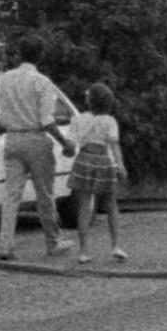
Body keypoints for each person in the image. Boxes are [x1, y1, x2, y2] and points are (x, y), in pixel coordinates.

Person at [0, 53, 80, 265]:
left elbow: (2, 117)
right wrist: (64, 143)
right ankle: (52, 240)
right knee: (45, 193)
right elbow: (47, 121)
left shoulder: (6, 79)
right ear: (40, 56)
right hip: (35, 138)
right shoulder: (42, 82)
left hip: (12, 138)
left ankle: (5, 243)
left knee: (12, 194)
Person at [69, 85, 129, 262]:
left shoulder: (78, 119)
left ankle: (84, 251)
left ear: (89, 101)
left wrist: (67, 149)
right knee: (111, 204)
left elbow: (71, 144)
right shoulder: (110, 121)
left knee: (84, 206)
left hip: (84, 160)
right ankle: (116, 245)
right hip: (103, 162)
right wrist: (120, 165)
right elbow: (114, 146)